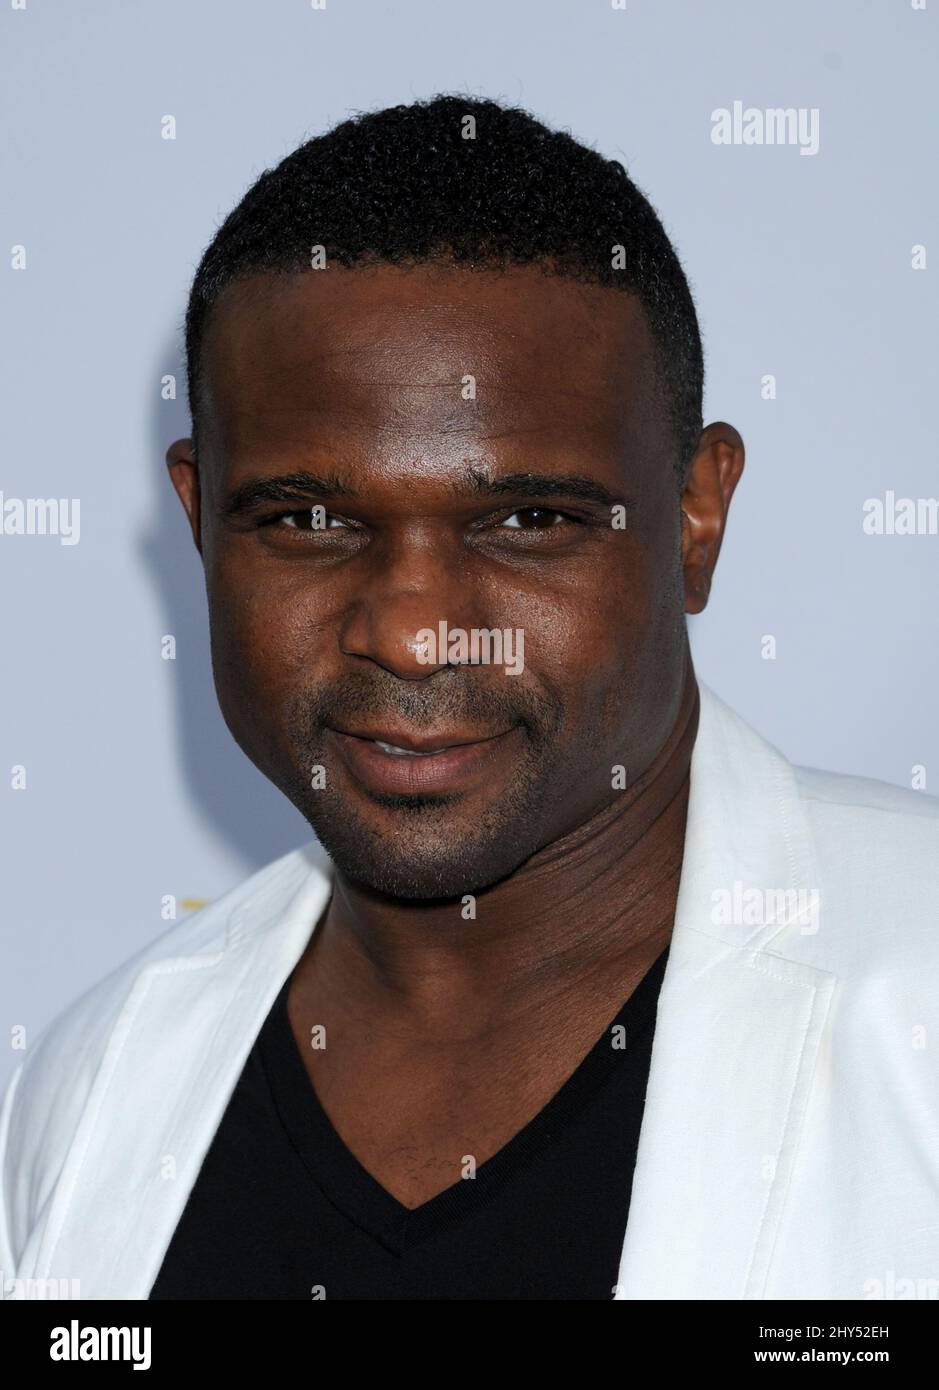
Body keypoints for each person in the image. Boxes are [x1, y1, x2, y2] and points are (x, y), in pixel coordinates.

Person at [3, 94, 937, 1302]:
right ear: (199, 519)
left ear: (697, 516)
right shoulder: (97, 1081)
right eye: (309, 519)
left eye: (530, 520)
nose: (408, 628)